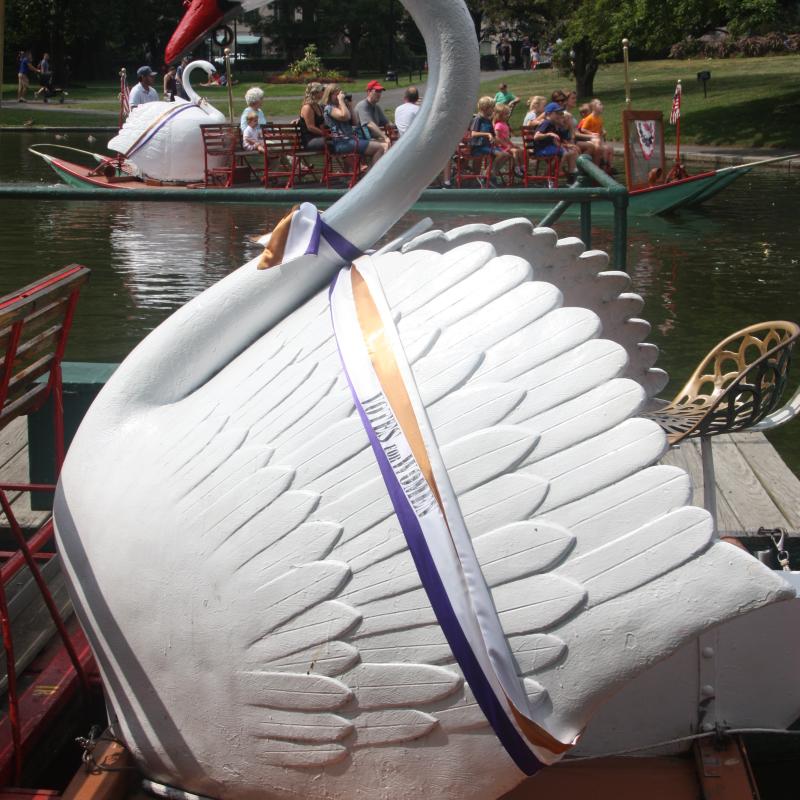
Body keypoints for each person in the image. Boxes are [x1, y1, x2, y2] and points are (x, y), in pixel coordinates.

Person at [322, 83, 386, 169]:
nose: (339, 96)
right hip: (342, 143)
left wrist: (350, 106)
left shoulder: (341, 107)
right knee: (379, 148)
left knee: (379, 147)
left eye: (339, 94)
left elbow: (355, 122)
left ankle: (369, 173)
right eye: (336, 94)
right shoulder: (329, 108)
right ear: (329, 95)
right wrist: (341, 101)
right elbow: (345, 116)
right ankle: (371, 175)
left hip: (350, 141)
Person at [469, 96, 511, 185]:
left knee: (506, 155)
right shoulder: (478, 119)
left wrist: (505, 144)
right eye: (492, 108)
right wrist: (487, 134)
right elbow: (473, 133)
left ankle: (490, 173)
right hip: (479, 146)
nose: (493, 111)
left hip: (487, 146)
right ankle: (487, 174)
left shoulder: (488, 120)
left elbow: (494, 136)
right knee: (501, 154)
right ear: (485, 108)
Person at [533, 101, 577, 184]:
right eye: (557, 113)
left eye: (561, 113)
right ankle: (555, 174)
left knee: (571, 151)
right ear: (549, 114)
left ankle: (569, 175)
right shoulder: (546, 123)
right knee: (563, 153)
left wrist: (567, 144)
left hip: (550, 147)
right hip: (542, 148)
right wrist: (549, 134)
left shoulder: (554, 124)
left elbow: (560, 139)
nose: (560, 115)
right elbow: (536, 136)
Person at [577, 98, 615, 173]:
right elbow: (583, 129)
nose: (602, 106)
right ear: (594, 107)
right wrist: (592, 134)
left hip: (598, 139)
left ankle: (609, 167)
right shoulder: (589, 118)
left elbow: (599, 130)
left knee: (610, 148)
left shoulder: (599, 119)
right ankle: (597, 165)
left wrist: (602, 132)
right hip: (591, 139)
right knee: (598, 144)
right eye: (600, 104)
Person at [492, 103, 524, 177]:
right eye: (505, 114)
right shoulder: (498, 125)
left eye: (508, 114)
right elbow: (498, 138)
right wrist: (507, 145)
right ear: (499, 115)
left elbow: (506, 137)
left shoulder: (504, 124)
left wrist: (512, 144)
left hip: (506, 145)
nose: (508, 115)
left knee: (520, 150)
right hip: (501, 146)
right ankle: (516, 168)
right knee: (515, 151)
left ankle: (522, 167)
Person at [298, 82, 326, 151]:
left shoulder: (318, 106)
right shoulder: (307, 107)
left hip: (319, 138)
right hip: (310, 140)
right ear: (315, 93)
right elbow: (310, 127)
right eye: (322, 90)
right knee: (331, 142)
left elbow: (322, 124)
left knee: (337, 140)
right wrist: (325, 134)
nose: (324, 92)